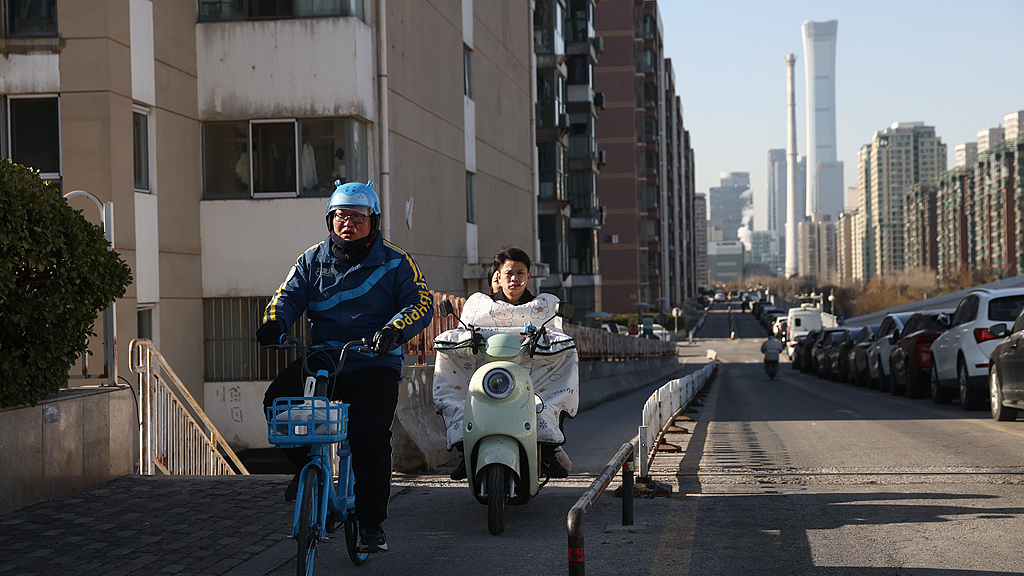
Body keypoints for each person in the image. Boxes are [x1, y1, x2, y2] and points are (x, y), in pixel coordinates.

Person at [256, 179, 433, 554]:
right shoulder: (311, 260)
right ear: (330, 220)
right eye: (340, 216)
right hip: (323, 359)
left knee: (371, 438)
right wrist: (274, 322)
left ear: (374, 221)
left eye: (357, 216)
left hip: (374, 362)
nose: (348, 223)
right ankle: (304, 468)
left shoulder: (396, 261)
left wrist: (393, 330)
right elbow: (287, 296)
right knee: (277, 401)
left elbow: (420, 303)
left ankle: (370, 524)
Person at [443, 247, 573, 480]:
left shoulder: (543, 308)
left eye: (520, 273)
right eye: (509, 273)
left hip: (531, 380)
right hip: (489, 377)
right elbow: (462, 331)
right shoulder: (480, 307)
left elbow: (556, 335)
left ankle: (548, 450)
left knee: (552, 390)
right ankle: (466, 451)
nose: (514, 278)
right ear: (499, 276)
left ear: (528, 276)